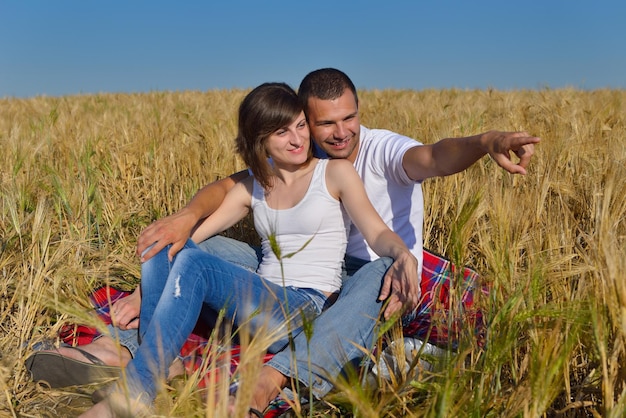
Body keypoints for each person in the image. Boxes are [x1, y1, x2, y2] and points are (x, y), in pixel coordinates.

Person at [134, 68, 540, 415]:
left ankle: (276, 376)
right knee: (206, 252)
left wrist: (486, 142)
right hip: (309, 271)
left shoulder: (382, 150)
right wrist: (183, 224)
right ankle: (138, 349)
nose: (342, 131)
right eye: (326, 123)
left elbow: (434, 158)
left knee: (381, 272)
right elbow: (231, 186)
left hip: (373, 274)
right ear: (304, 123)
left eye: (350, 118)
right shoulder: (295, 158)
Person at [79, 82, 417, 417]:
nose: (298, 139)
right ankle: (167, 367)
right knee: (166, 244)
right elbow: (193, 237)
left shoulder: (333, 172)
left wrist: (403, 255)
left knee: (194, 264)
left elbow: (377, 233)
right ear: (261, 141)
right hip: (253, 312)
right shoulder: (255, 185)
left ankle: (136, 391)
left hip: (302, 310)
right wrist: (148, 279)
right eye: (282, 132)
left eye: (301, 126)